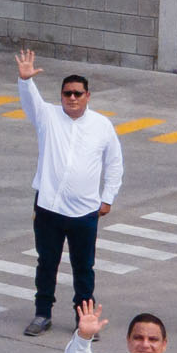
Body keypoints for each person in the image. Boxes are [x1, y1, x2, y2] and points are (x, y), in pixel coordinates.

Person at [14, 48, 125, 337]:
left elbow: (114, 163)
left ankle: (83, 319)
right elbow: (30, 100)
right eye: (67, 93)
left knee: (84, 268)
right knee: (46, 263)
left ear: (88, 96)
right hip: (49, 208)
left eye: (78, 93)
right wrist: (25, 80)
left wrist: (108, 198)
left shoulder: (101, 125)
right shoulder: (47, 117)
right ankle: (42, 314)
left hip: (84, 211)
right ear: (61, 95)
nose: (72, 98)